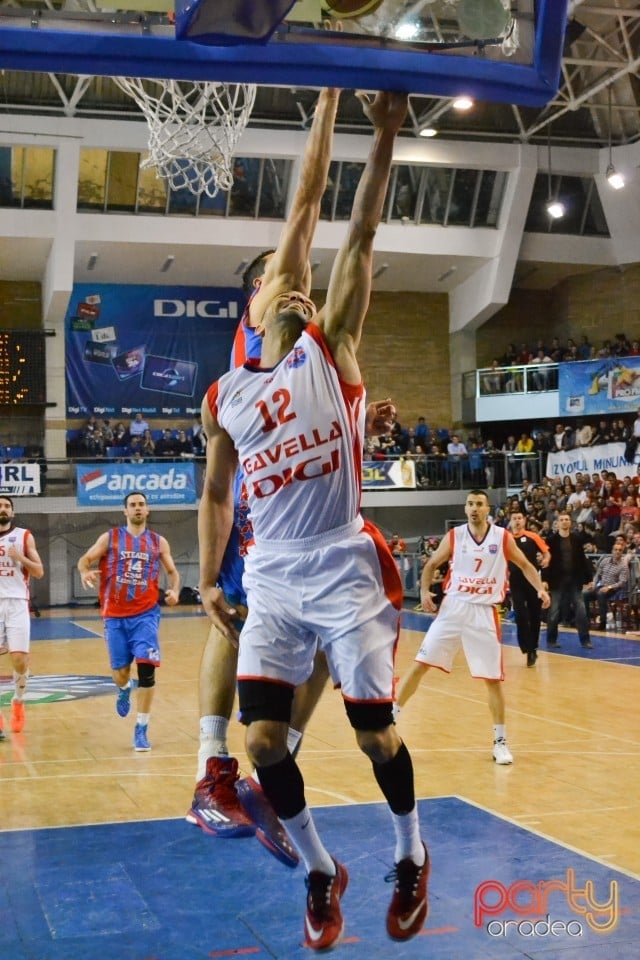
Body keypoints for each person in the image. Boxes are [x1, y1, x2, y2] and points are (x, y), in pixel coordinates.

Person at [200, 91, 429, 950]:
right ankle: (321, 872)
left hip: (344, 564)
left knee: (376, 736)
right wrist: (207, 578)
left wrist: (371, 122)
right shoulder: (228, 393)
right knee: (262, 740)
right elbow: (217, 495)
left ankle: (411, 853)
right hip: (270, 570)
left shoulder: (333, 347)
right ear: (254, 310)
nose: (291, 285)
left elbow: (345, 227)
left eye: (295, 282)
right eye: (274, 283)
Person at [187, 88, 344, 868]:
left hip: (301, 502)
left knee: (322, 651)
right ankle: (217, 771)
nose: (298, 280)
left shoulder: (300, 347)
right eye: (285, 277)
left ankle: (263, 768)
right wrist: (328, 94)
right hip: (268, 504)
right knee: (243, 615)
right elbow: (309, 197)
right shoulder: (264, 324)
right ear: (258, 294)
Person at [395, 491, 550, 764]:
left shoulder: (502, 537)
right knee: (420, 663)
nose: (474, 508)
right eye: (470, 504)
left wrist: (540, 589)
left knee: (492, 680)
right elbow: (431, 564)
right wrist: (423, 592)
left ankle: (500, 742)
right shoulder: (456, 535)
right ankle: (390, 717)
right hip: (454, 607)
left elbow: (525, 565)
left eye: (479, 504)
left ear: (488, 508)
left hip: (484, 612)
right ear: (465, 509)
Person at [77, 491, 180, 750]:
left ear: (147, 510)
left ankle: (141, 728)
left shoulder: (158, 542)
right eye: (132, 505)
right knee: (121, 673)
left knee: (147, 671)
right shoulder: (110, 538)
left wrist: (175, 590)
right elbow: (85, 559)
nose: (137, 508)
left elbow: (172, 572)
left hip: (146, 614)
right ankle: (123, 689)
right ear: (125, 511)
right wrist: (85, 571)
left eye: (141, 504)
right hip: (114, 616)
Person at [0, 496, 44, 737]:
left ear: (13, 513)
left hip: (16, 602)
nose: (3, 509)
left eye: (7, 506)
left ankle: (18, 701)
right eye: (0, 505)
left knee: (19, 659)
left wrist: (21, 558)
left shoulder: (24, 536)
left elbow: (38, 571)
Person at [544, 511, 594, 650]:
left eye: (567, 519)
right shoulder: (551, 540)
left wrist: (588, 579)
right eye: (562, 519)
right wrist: (545, 579)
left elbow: (582, 561)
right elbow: (546, 561)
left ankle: (585, 640)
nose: (565, 521)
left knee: (581, 610)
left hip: (574, 579)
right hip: (557, 580)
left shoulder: (577, 539)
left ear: (570, 522)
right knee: (554, 611)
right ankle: (551, 639)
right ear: (558, 523)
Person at [508, 510, 550, 666]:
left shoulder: (533, 537)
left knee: (535, 614)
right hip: (515, 580)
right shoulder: (507, 538)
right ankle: (525, 645)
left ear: (524, 520)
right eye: (514, 518)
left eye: (520, 518)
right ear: (510, 521)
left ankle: (533, 649)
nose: (517, 521)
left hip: (532, 580)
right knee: (520, 614)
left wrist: (546, 560)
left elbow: (546, 553)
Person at [582, 541, 629, 631]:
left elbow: (622, 582)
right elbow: (597, 574)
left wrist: (609, 587)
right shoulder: (605, 560)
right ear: (612, 551)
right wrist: (594, 583)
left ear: (622, 552)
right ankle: (586, 620)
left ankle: (603, 622)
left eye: (620, 550)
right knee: (584, 594)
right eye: (615, 550)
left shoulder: (623, 566)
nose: (617, 551)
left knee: (600, 594)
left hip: (614, 588)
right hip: (601, 585)